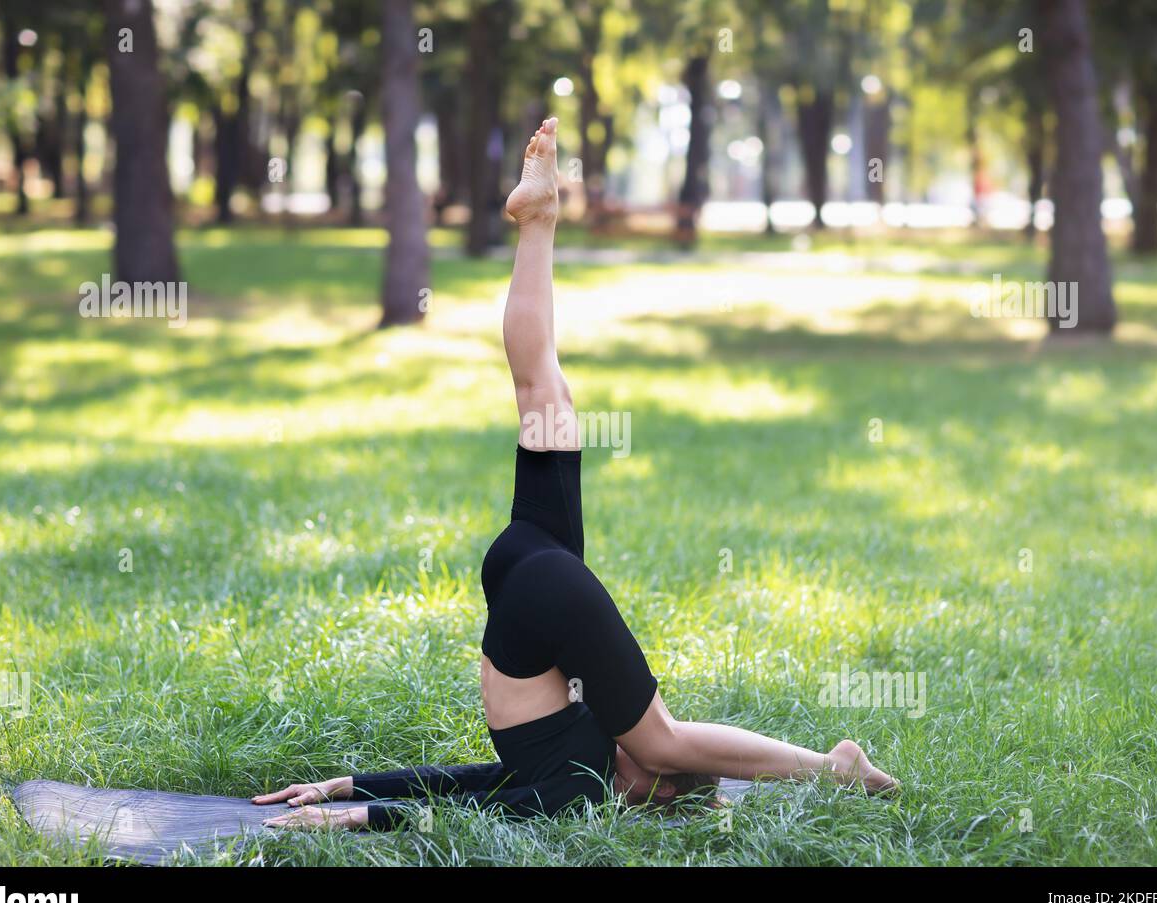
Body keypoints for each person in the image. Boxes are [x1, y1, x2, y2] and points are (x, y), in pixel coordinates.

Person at [257, 117, 896, 832]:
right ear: (650, 788)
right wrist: (360, 814)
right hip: (531, 584)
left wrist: (347, 789)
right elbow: (477, 810)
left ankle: (539, 224)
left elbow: (471, 791)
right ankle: (834, 766)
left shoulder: (579, 765)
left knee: (542, 394)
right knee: (666, 733)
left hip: (540, 562)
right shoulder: (588, 780)